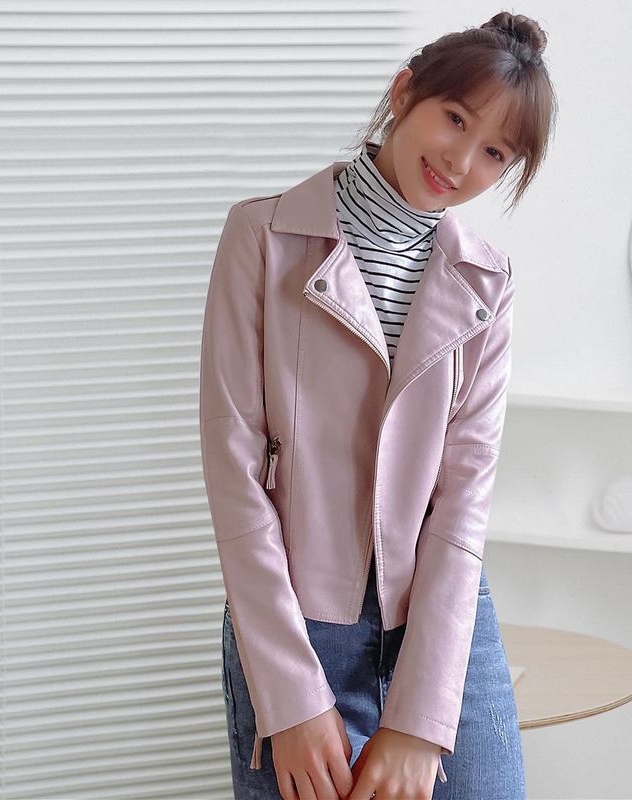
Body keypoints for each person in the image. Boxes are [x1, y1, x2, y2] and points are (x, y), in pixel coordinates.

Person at [201, 10, 557, 800]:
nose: (461, 160)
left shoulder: (487, 281)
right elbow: (234, 471)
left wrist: (419, 718)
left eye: (494, 152)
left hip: (442, 622)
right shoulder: (261, 236)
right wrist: (292, 697)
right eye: (454, 118)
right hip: (296, 623)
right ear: (404, 94)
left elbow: (464, 495)